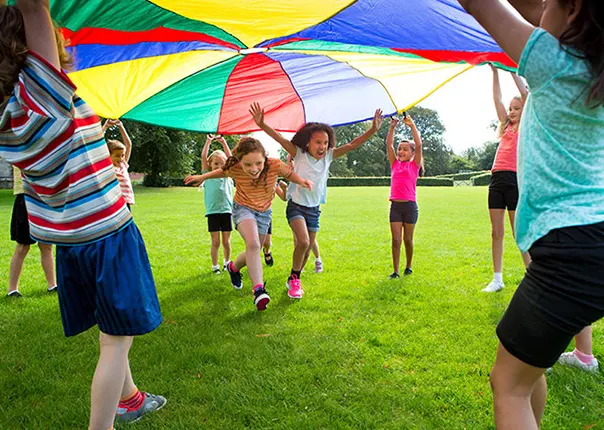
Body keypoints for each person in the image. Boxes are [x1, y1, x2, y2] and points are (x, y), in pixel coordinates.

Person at [0, 2, 165, 428]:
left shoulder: (8, 118)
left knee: (111, 327)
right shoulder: (42, 97)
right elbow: (33, 6)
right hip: (107, 234)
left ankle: (130, 399)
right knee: (116, 343)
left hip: (71, 239)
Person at [457, 0, 604, 428]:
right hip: (588, 246)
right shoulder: (594, 74)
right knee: (526, 367)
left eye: (548, 5)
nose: (540, 12)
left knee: (509, 384)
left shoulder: (553, 61)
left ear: (574, 10)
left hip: (570, 250)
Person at [251, 102, 383, 298]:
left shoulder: (329, 156)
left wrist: (372, 129)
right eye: (318, 142)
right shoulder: (299, 153)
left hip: (314, 209)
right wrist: (262, 124)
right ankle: (296, 279)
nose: (322, 146)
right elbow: (279, 139)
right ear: (308, 143)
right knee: (303, 242)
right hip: (296, 206)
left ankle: (293, 278)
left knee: (305, 251)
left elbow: (353, 144)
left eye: (325, 142)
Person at [185, 137, 313, 310]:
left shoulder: (274, 165)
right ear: (240, 162)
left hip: (264, 213)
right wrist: (203, 177)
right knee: (252, 244)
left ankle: (233, 268)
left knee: (255, 249)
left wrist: (302, 181)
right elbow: (220, 172)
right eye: (248, 165)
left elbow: (289, 174)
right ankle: (259, 290)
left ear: (265, 158)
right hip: (243, 209)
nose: (254, 169)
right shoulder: (235, 168)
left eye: (258, 163)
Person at [483, 65, 532, 293]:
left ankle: (531, 274)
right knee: (496, 232)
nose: (511, 112)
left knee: (517, 231)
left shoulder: (525, 126)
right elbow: (496, 98)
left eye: (516, 109)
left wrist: (512, 70)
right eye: (510, 109)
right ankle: (497, 278)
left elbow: (525, 94)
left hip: (514, 180)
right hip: (496, 181)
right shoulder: (504, 127)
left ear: (525, 110)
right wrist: (494, 72)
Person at [7, 166, 57, 297]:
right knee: (23, 246)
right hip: (25, 197)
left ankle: (52, 285)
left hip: (43, 197)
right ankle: (12, 290)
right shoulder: (19, 150)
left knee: (46, 245)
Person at [386, 114, 423, 279]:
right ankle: (395, 271)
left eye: (405, 149)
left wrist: (412, 126)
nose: (401, 151)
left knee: (408, 239)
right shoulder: (394, 163)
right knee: (396, 240)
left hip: (410, 207)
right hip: (395, 207)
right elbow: (389, 145)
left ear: (412, 153)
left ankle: (408, 266)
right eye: (400, 148)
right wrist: (392, 127)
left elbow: (419, 144)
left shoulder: (414, 166)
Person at [200, 134, 233, 273]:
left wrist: (223, 142)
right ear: (210, 165)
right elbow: (203, 157)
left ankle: (227, 263)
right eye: (215, 164)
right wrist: (208, 141)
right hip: (213, 213)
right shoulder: (207, 176)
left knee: (226, 242)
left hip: (226, 211)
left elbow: (231, 159)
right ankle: (215, 267)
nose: (218, 166)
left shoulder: (228, 175)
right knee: (216, 242)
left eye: (221, 164)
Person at [103, 119, 135, 210]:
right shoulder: (108, 166)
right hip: (113, 202)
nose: (121, 158)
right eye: (117, 155)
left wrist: (121, 126)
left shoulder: (123, 165)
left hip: (126, 203)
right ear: (108, 155)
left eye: (123, 155)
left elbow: (128, 145)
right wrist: (105, 127)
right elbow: (95, 144)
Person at [261, 182, 287, 267]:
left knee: (267, 243)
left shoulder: (271, 180)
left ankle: (267, 251)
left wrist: (284, 189)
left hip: (265, 213)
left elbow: (284, 197)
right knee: (255, 243)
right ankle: (253, 262)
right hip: (250, 213)